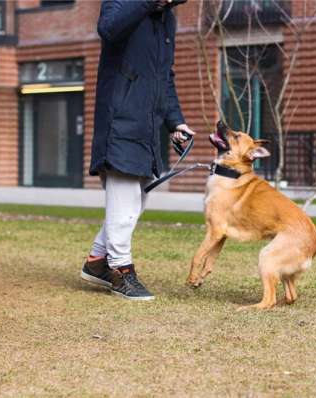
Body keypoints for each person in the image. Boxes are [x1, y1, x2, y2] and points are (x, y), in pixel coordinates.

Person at [80, 0, 194, 301]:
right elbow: (108, 29)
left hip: (147, 123)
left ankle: (96, 261)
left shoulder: (166, 20)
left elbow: (164, 76)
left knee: (137, 199)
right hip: (120, 117)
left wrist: (176, 121)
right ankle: (121, 269)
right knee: (126, 194)